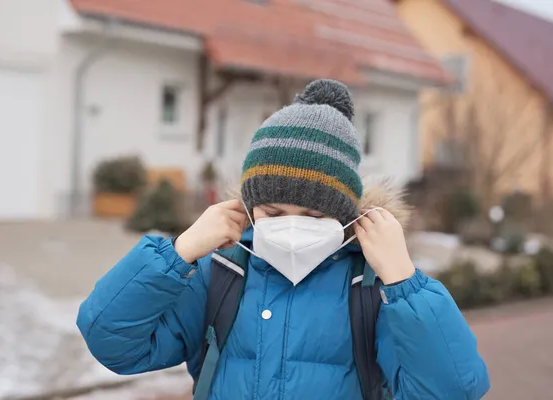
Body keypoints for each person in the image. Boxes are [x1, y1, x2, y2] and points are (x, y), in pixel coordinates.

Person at [77, 80, 490, 399]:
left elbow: (451, 390)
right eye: (274, 213)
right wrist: (177, 253)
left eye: (314, 214)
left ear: (345, 215)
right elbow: (111, 340)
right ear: (249, 208)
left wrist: (404, 281)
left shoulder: (370, 290)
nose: (292, 226)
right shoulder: (220, 274)